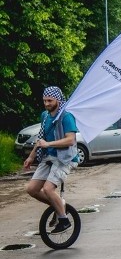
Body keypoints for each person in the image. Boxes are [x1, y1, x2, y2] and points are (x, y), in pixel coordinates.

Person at [23, 87, 78, 233]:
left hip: (65, 158)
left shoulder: (66, 116)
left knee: (48, 189)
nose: (47, 104)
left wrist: (48, 144)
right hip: (49, 156)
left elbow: (70, 140)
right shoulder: (45, 116)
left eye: (50, 101)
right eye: (44, 101)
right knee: (32, 189)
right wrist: (31, 156)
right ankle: (59, 204)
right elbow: (41, 138)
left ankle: (64, 220)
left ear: (58, 100)